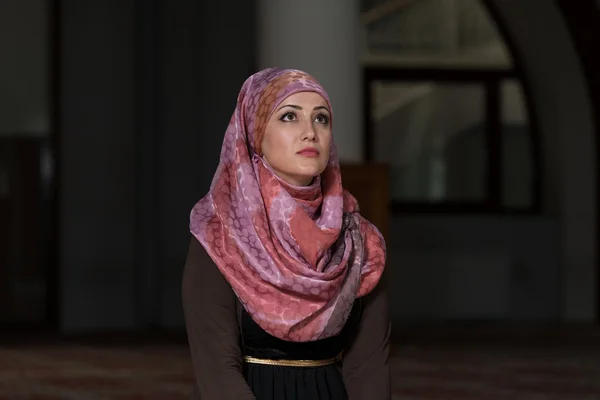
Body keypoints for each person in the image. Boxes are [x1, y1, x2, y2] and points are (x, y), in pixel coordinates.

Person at [182, 67, 391, 400]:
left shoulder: (360, 242)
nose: (310, 132)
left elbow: (368, 370)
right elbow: (217, 368)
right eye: (289, 116)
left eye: (321, 119)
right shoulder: (220, 231)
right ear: (255, 131)